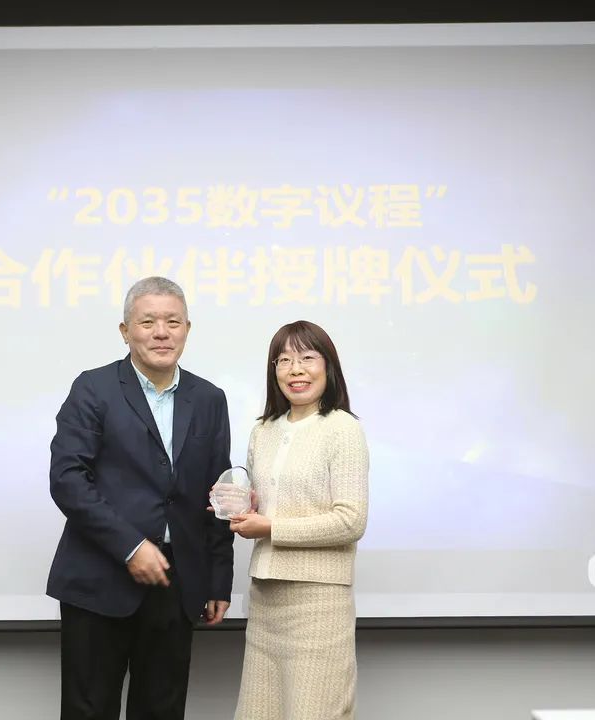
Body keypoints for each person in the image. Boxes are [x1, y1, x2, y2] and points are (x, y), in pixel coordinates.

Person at [47, 276, 234, 720]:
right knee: (88, 711)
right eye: (148, 322)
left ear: (188, 328)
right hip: (99, 578)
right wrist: (130, 546)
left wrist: (217, 579)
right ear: (125, 330)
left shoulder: (209, 398)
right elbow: (68, 479)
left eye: (173, 322)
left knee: (161, 710)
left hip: (176, 582)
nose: (161, 332)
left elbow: (220, 493)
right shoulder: (93, 388)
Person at [228, 320, 369, 720]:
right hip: (265, 598)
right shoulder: (263, 431)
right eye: (284, 360)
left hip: (319, 602)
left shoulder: (342, 428)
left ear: (328, 366)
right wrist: (238, 506)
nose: (296, 370)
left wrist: (270, 527)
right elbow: (263, 506)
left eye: (307, 358)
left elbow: (351, 521)